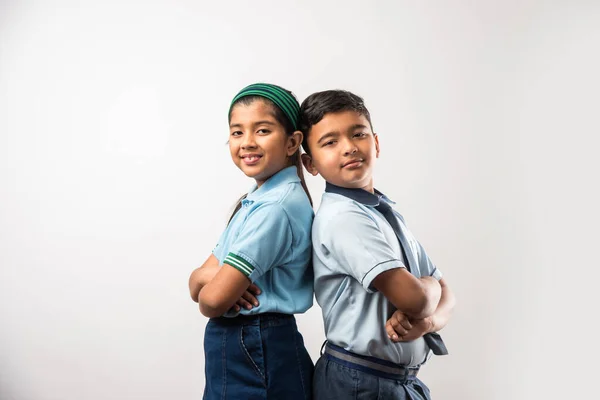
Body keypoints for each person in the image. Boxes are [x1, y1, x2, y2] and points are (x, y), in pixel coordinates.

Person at [299, 89, 455, 399]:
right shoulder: (344, 218)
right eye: (330, 142)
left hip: (392, 382)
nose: (349, 148)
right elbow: (417, 299)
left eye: (358, 134)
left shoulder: (382, 211)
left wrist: (426, 324)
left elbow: (446, 295)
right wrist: (428, 293)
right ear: (310, 163)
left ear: (377, 143)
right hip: (361, 384)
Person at [188, 83, 314, 400]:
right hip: (246, 343)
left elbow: (211, 302)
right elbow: (196, 283)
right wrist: (214, 277)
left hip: (256, 343)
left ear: (292, 142)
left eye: (262, 130)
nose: (247, 143)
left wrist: (213, 282)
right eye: (237, 132)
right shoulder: (256, 201)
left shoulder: (275, 209)